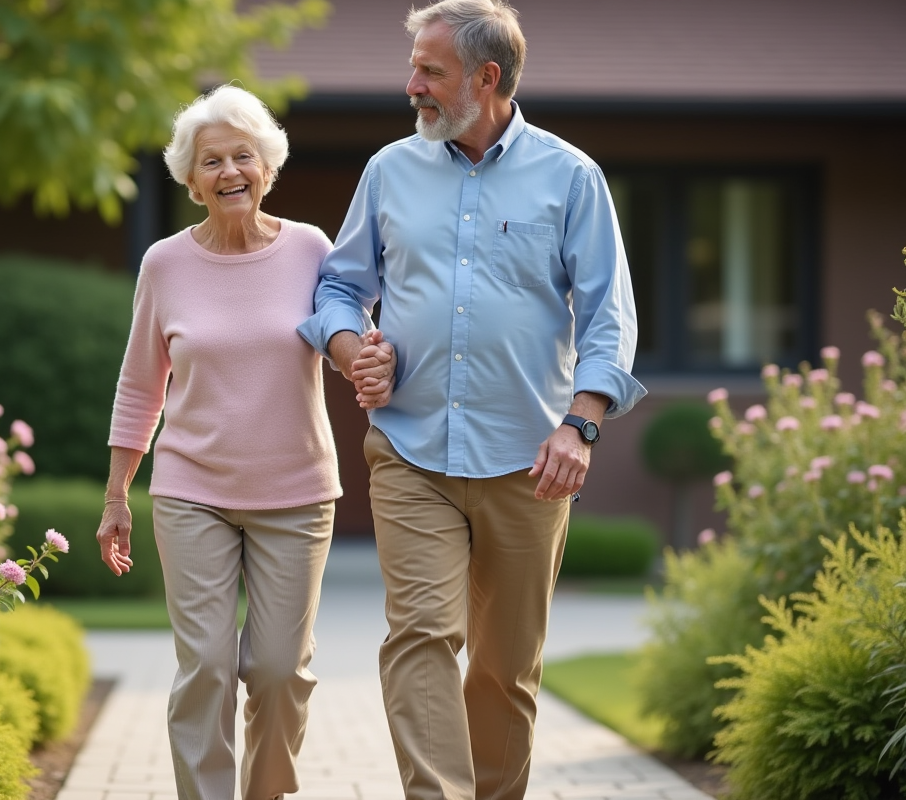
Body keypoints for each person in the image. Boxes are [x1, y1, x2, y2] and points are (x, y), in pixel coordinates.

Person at [296, 2, 647, 798]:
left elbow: (609, 318)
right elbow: (341, 288)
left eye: (430, 70)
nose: (410, 84)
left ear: (486, 78)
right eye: (413, 66)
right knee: (421, 636)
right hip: (410, 449)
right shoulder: (390, 169)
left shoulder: (571, 177)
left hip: (530, 461)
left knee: (503, 671)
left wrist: (580, 425)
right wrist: (355, 354)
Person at [95, 85, 393, 800]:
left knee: (279, 671)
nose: (229, 171)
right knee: (205, 665)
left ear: (268, 166)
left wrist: (374, 363)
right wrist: (116, 495)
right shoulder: (164, 265)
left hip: (296, 492)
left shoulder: (311, 250)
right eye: (211, 161)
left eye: (243, 156)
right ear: (191, 180)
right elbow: (142, 384)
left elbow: (350, 335)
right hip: (191, 491)